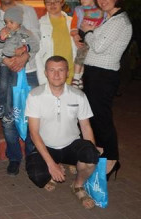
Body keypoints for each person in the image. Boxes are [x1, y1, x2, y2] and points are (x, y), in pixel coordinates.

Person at [24, 56, 100, 209]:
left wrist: (92, 150)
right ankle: (56, 167)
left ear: (67, 73)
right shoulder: (35, 95)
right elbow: (34, 133)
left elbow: (86, 127)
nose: (56, 74)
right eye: (52, 70)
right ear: (46, 73)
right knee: (38, 177)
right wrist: (51, 164)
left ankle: (78, 185)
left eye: (61, 70)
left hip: (71, 144)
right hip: (46, 146)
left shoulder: (78, 95)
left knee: (92, 156)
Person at [80, 0, 132, 179]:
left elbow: (98, 46)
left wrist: (87, 32)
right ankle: (102, 154)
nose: (102, 0)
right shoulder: (108, 19)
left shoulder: (119, 21)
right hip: (95, 74)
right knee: (94, 117)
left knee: (102, 119)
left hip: (103, 75)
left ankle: (111, 160)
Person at [0, 0, 41, 176]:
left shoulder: (28, 11)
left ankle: (32, 155)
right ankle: (14, 157)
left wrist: (24, 56)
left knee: (31, 115)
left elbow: (36, 39)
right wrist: (6, 60)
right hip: (5, 72)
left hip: (28, 72)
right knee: (8, 117)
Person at [0, 5, 40, 120]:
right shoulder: (5, 31)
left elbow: (35, 46)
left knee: (13, 87)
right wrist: (2, 38)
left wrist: (25, 48)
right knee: (3, 84)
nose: (8, 25)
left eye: (11, 22)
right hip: (5, 62)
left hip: (17, 64)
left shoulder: (26, 33)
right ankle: (0, 104)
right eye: (6, 22)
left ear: (19, 22)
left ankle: (10, 111)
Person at [35, 0, 77, 86]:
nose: (52, 4)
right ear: (45, 4)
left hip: (71, 76)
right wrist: (43, 80)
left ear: (62, 2)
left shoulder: (73, 23)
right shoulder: (39, 25)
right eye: (48, 2)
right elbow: (37, 55)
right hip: (51, 78)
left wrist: (77, 75)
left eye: (56, 1)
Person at [70, 0, 104, 89]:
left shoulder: (102, 10)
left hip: (96, 36)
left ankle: (80, 76)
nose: (82, 0)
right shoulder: (79, 10)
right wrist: (75, 34)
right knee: (81, 55)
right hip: (83, 35)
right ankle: (76, 77)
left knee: (87, 59)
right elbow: (74, 24)